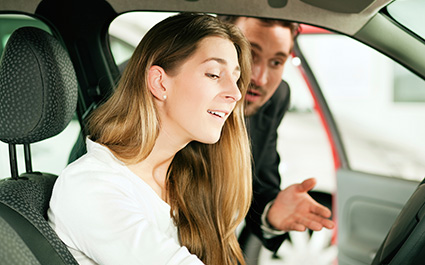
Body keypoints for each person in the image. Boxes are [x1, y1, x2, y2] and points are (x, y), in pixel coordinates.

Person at [48, 13, 253, 265]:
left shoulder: (183, 180)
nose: (235, 92)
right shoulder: (91, 186)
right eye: (213, 74)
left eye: (236, 77)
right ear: (159, 83)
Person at [217, 15, 335, 252]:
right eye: (250, 54)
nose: (259, 78)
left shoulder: (275, 98)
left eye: (276, 62)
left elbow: (260, 183)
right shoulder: (167, 93)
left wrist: (271, 211)